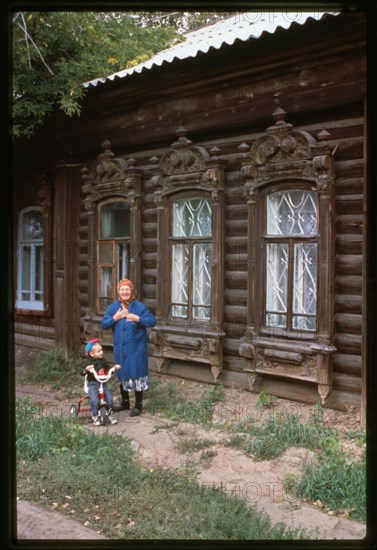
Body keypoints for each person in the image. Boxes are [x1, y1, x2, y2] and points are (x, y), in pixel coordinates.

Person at [101, 279, 156, 416]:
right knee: (122, 374)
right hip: (121, 349)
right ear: (118, 292)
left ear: (131, 291)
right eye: (122, 289)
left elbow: (152, 321)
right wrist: (115, 317)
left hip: (137, 349)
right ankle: (125, 403)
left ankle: (138, 406)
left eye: (127, 289)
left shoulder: (139, 307)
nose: (124, 292)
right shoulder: (114, 307)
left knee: (137, 376)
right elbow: (104, 324)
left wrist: (137, 318)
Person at [81, 338, 121, 426]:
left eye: (101, 350)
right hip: (93, 384)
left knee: (110, 399)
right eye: (99, 351)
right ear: (92, 354)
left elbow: (109, 369)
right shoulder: (88, 362)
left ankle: (110, 414)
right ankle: (95, 416)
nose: (102, 352)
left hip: (103, 384)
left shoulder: (103, 361)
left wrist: (114, 368)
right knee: (94, 400)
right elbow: (82, 372)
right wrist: (86, 369)